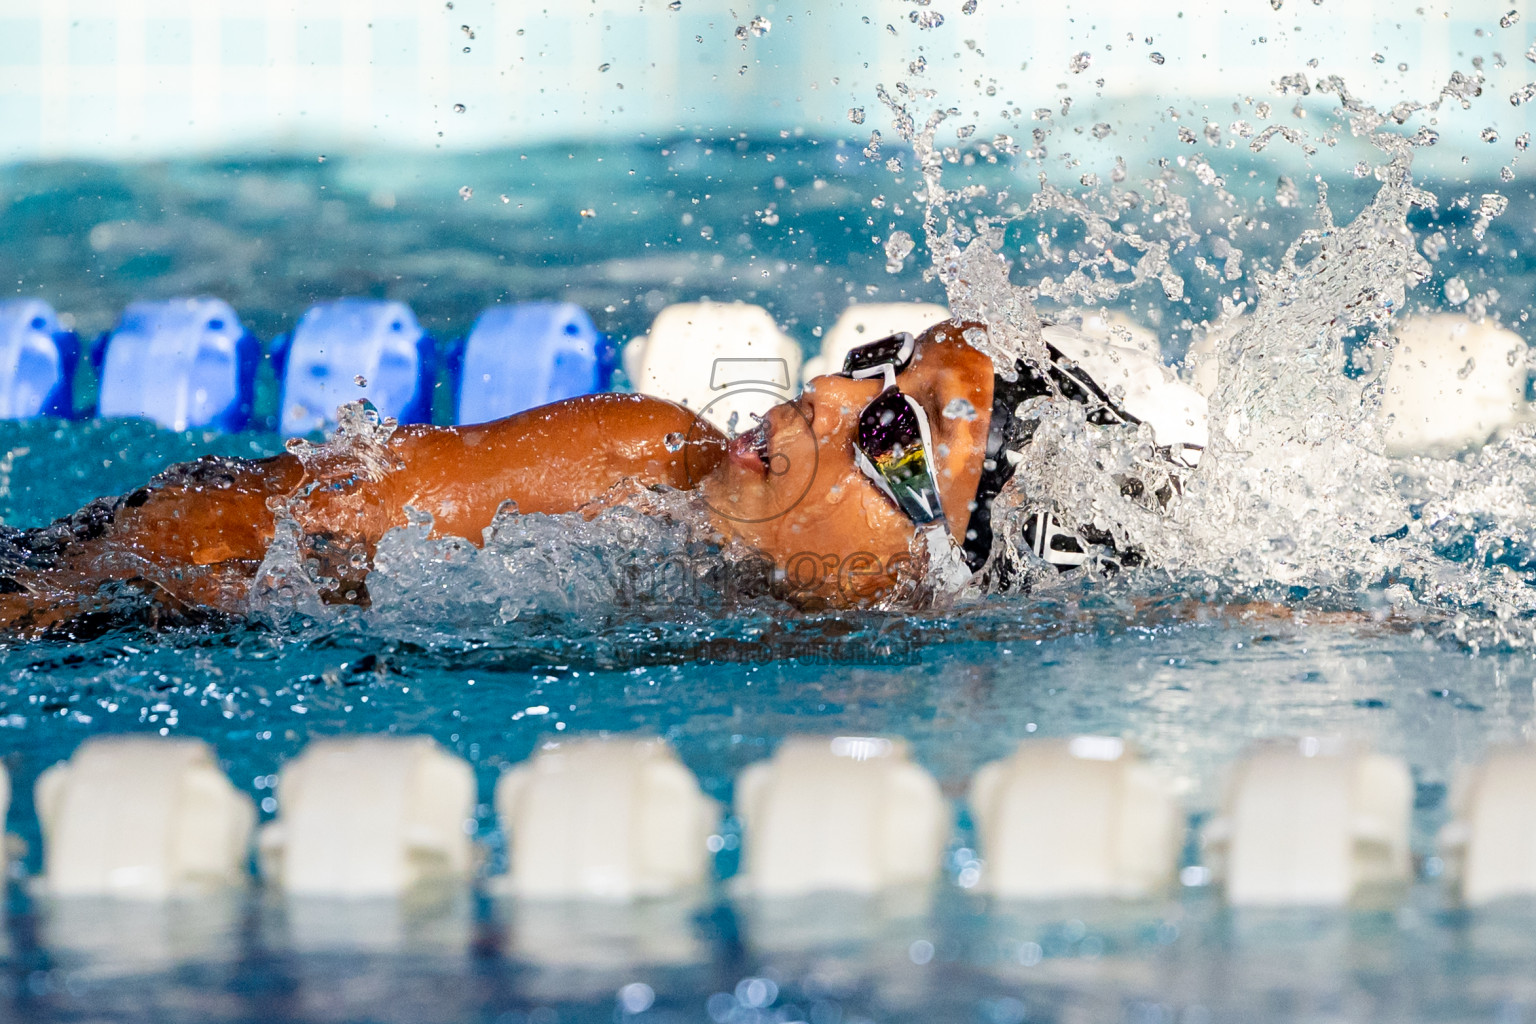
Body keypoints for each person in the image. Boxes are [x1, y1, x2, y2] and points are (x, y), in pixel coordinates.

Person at [0, 319, 1206, 634]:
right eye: (868, 366)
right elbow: (282, 514)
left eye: (891, 427)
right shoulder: (646, 463)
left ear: (942, 571)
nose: (828, 395)